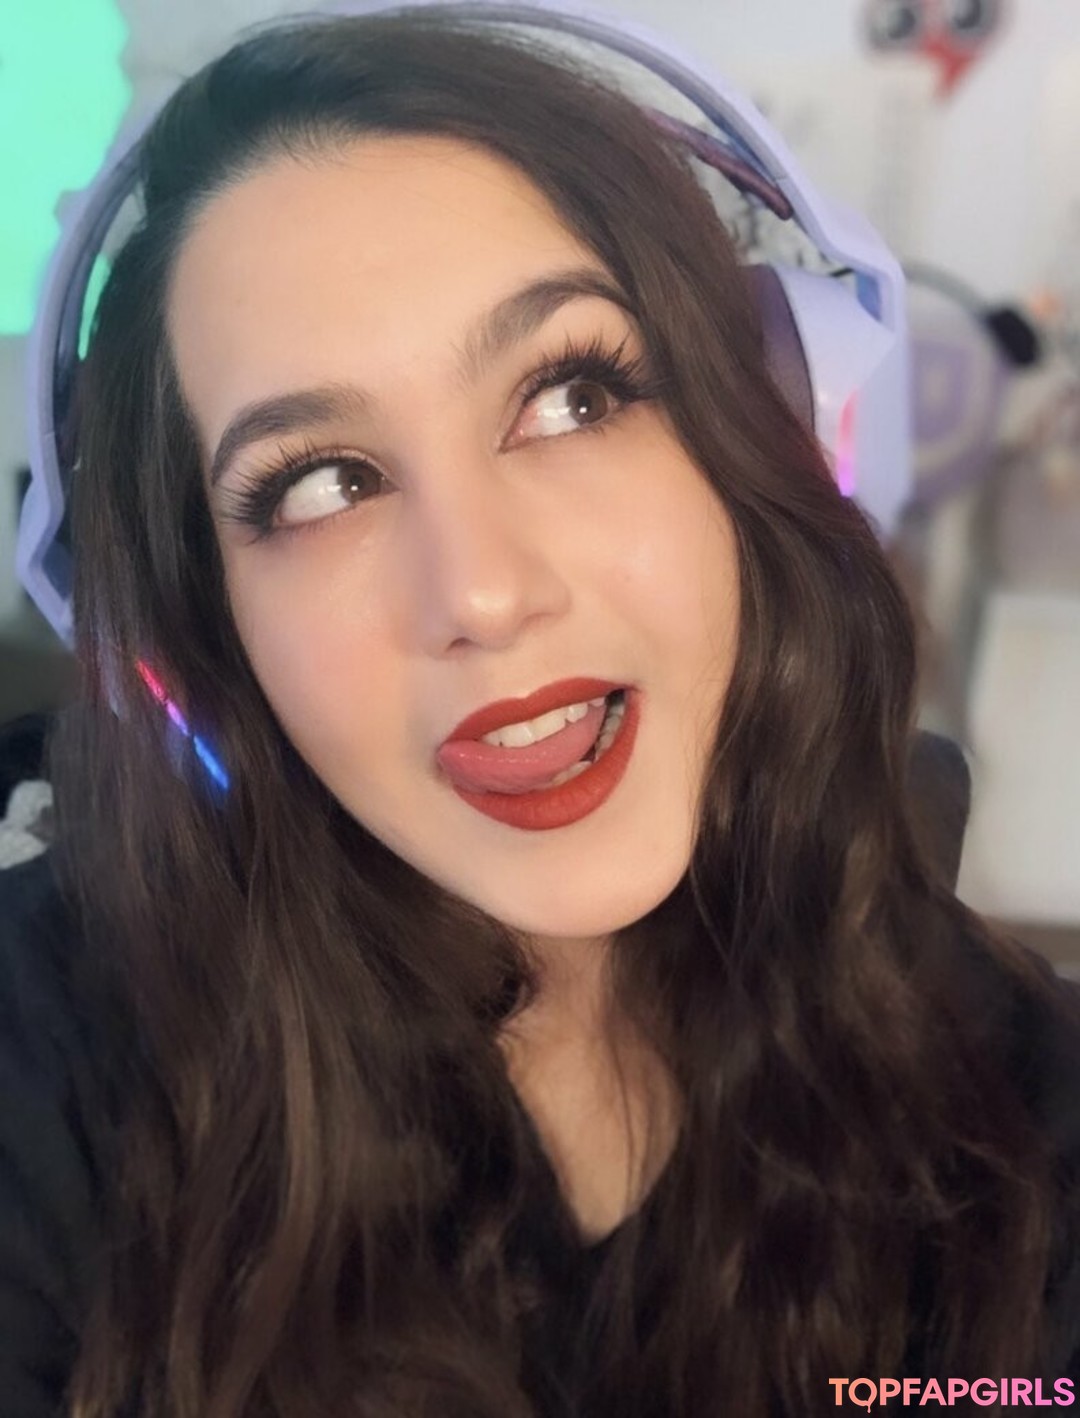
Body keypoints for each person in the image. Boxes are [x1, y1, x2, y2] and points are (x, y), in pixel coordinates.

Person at [2, 7, 1079, 1416]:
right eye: (321, 484)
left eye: (572, 396)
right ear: (199, 638)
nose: (485, 592)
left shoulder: (1029, 1110)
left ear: (775, 425)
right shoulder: (42, 1080)